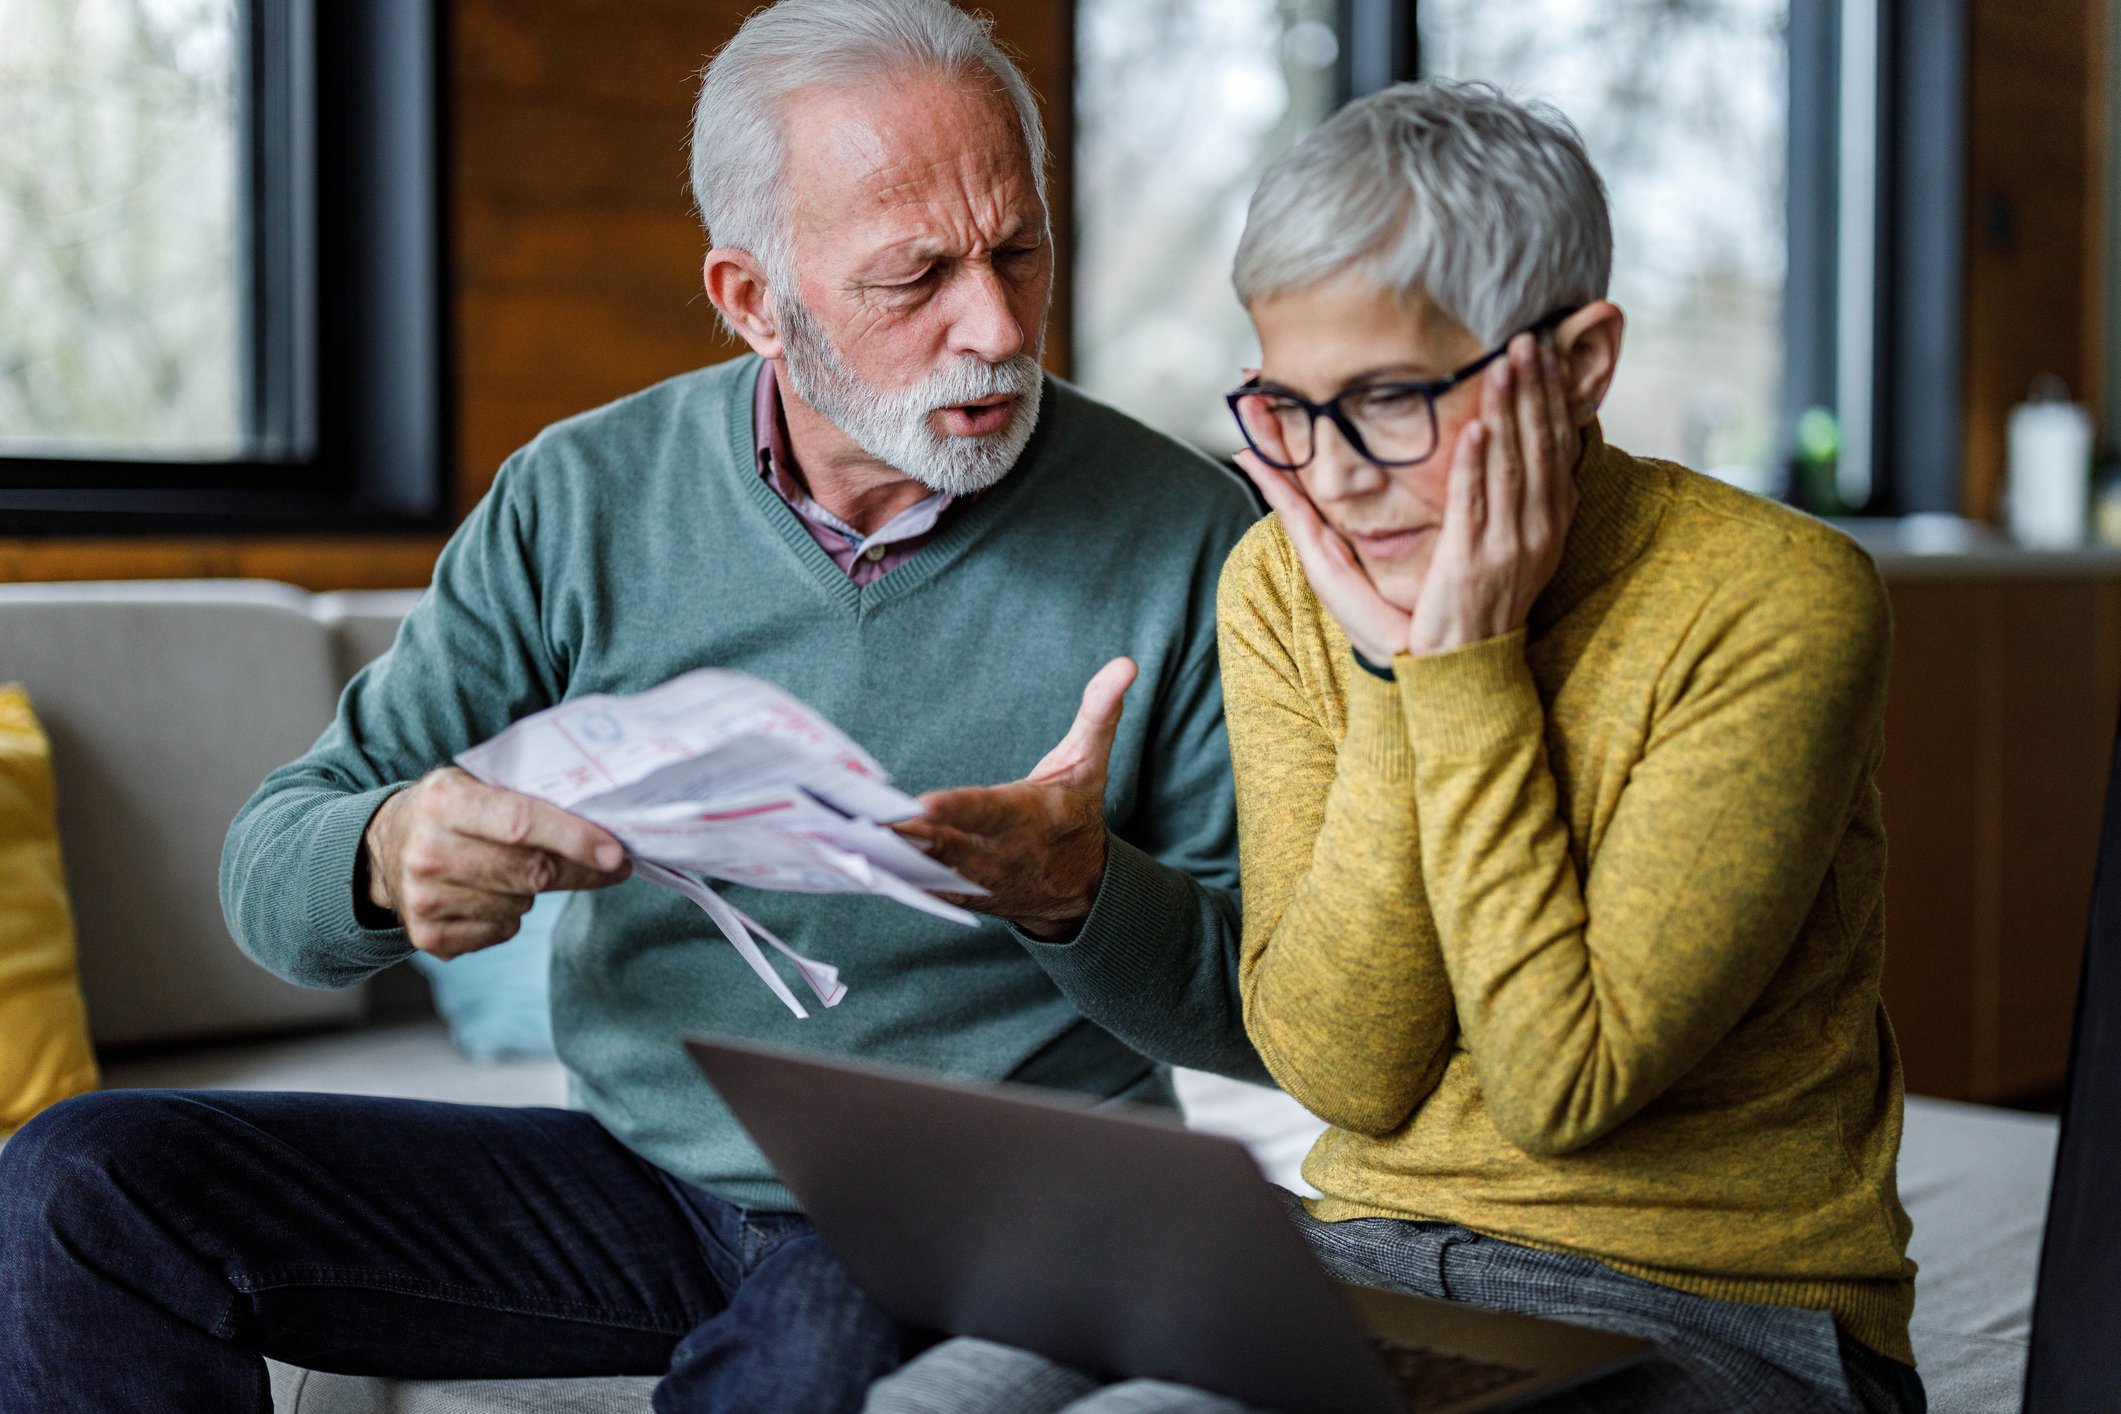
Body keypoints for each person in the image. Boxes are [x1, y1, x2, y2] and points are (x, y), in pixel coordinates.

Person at [0, 3, 1265, 1411]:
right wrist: (384, 849)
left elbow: (1259, 1008)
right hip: (639, 1178)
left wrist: (1081, 894)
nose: (998, 323)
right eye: (915, 277)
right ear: (750, 299)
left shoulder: (1191, 538)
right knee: (86, 1181)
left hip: (977, 1191)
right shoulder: (580, 496)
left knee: (793, 1370)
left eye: (1018, 249)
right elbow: (270, 874)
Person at [867, 80, 1922, 1414]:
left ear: (1581, 364)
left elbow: (1560, 1082)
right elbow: (1346, 1069)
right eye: (1287, 410)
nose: (1334, 474)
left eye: (1389, 400)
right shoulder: (1282, 582)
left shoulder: (1770, 597)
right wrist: (1380, 661)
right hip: (1355, 1253)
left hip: (1710, 1309)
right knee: (936, 1398)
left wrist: (1453, 668)